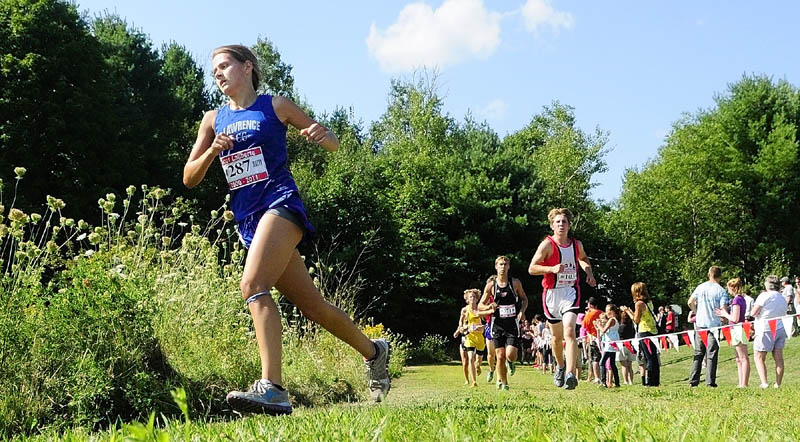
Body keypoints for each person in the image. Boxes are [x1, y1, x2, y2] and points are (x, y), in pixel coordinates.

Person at [184, 45, 390, 414]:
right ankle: (374, 351)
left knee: (253, 285)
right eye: (214, 69)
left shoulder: (275, 105)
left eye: (225, 65)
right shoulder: (213, 119)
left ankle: (273, 388)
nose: (217, 73)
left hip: (280, 207)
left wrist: (319, 135)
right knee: (313, 307)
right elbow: (189, 178)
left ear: (247, 68)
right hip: (249, 221)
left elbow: (332, 142)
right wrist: (212, 151)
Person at [529, 208, 597, 390]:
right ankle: (559, 366)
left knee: (570, 332)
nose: (561, 225)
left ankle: (570, 373)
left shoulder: (576, 245)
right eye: (557, 222)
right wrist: (551, 269)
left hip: (570, 292)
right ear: (552, 225)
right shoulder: (547, 245)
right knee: (556, 338)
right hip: (552, 295)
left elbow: (583, 259)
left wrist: (588, 272)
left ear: (569, 225)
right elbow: (532, 268)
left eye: (564, 222)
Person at [480, 256, 528, 390]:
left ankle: (511, 362)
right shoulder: (491, 285)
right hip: (497, 324)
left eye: (505, 264)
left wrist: (522, 311)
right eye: (500, 264)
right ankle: (503, 382)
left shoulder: (515, 283)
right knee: (499, 356)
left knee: (510, 355)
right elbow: (480, 306)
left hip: (512, 323)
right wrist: (490, 307)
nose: (502, 267)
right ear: (496, 267)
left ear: (508, 267)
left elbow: (524, 299)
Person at [687, 266, 729, 388]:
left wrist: (696, 311)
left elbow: (690, 302)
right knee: (711, 354)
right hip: (714, 325)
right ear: (720, 276)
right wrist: (725, 322)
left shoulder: (700, 287)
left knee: (698, 353)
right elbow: (723, 309)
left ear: (708, 274)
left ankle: (693, 380)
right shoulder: (721, 291)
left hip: (700, 324)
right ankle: (710, 382)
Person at [752, 276, 788, 388]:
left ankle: (764, 382)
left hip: (765, 328)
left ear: (767, 285)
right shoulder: (782, 297)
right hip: (780, 328)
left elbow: (754, 312)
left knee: (759, 356)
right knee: (778, 357)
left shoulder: (764, 296)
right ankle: (778, 383)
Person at [620, 282, 660, 386]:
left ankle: (651, 382)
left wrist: (627, 311)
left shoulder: (639, 304)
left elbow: (636, 320)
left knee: (649, 358)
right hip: (653, 331)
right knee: (654, 357)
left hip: (644, 332)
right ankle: (656, 381)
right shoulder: (649, 302)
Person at [714, 278, 750, 388]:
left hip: (738, 328)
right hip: (736, 329)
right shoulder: (741, 299)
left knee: (743, 357)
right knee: (738, 358)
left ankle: (744, 383)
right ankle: (740, 382)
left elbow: (735, 318)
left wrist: (724, 314)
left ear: (733, 288)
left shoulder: (736, 300)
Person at [461, 289, 495, 387]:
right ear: (467, 299)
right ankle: (474, 381)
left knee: (478, 361)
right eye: (470, 297)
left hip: (480, 338)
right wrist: (465, 327)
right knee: (470, 358)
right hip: (470, 338)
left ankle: (478, 366)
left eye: (474, 297)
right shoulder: (464, 310)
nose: (473, 298)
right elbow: (461, 324)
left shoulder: (481, 310)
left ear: (477, 299)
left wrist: (481, 327)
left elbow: (488, 324)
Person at [596, 304, 621, 388]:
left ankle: (603, 382)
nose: (606, 313)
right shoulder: (615, 320)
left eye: (608, 311)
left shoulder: (611, 320)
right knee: (612, 364)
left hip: (610, 344)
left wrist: (597, 324)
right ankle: (617, 382)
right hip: (612, 343)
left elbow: (603, 330)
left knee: (602, 363)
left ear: (612, 311)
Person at [582, 298, 603, 384]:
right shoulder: (602, 313)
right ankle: (606, 376)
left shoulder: (588, 315)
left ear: (590, 305)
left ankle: (597, 377)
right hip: (604, 338)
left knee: (595, 359)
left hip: (593, 338)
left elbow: (585, 327)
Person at [617, 306, 636, 385]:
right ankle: (631, 381)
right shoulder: (631, 327)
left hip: (622, 346)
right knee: (630, 366)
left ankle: (625, 381)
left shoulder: (620, 327)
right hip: (630, 346)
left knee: (624, 365)